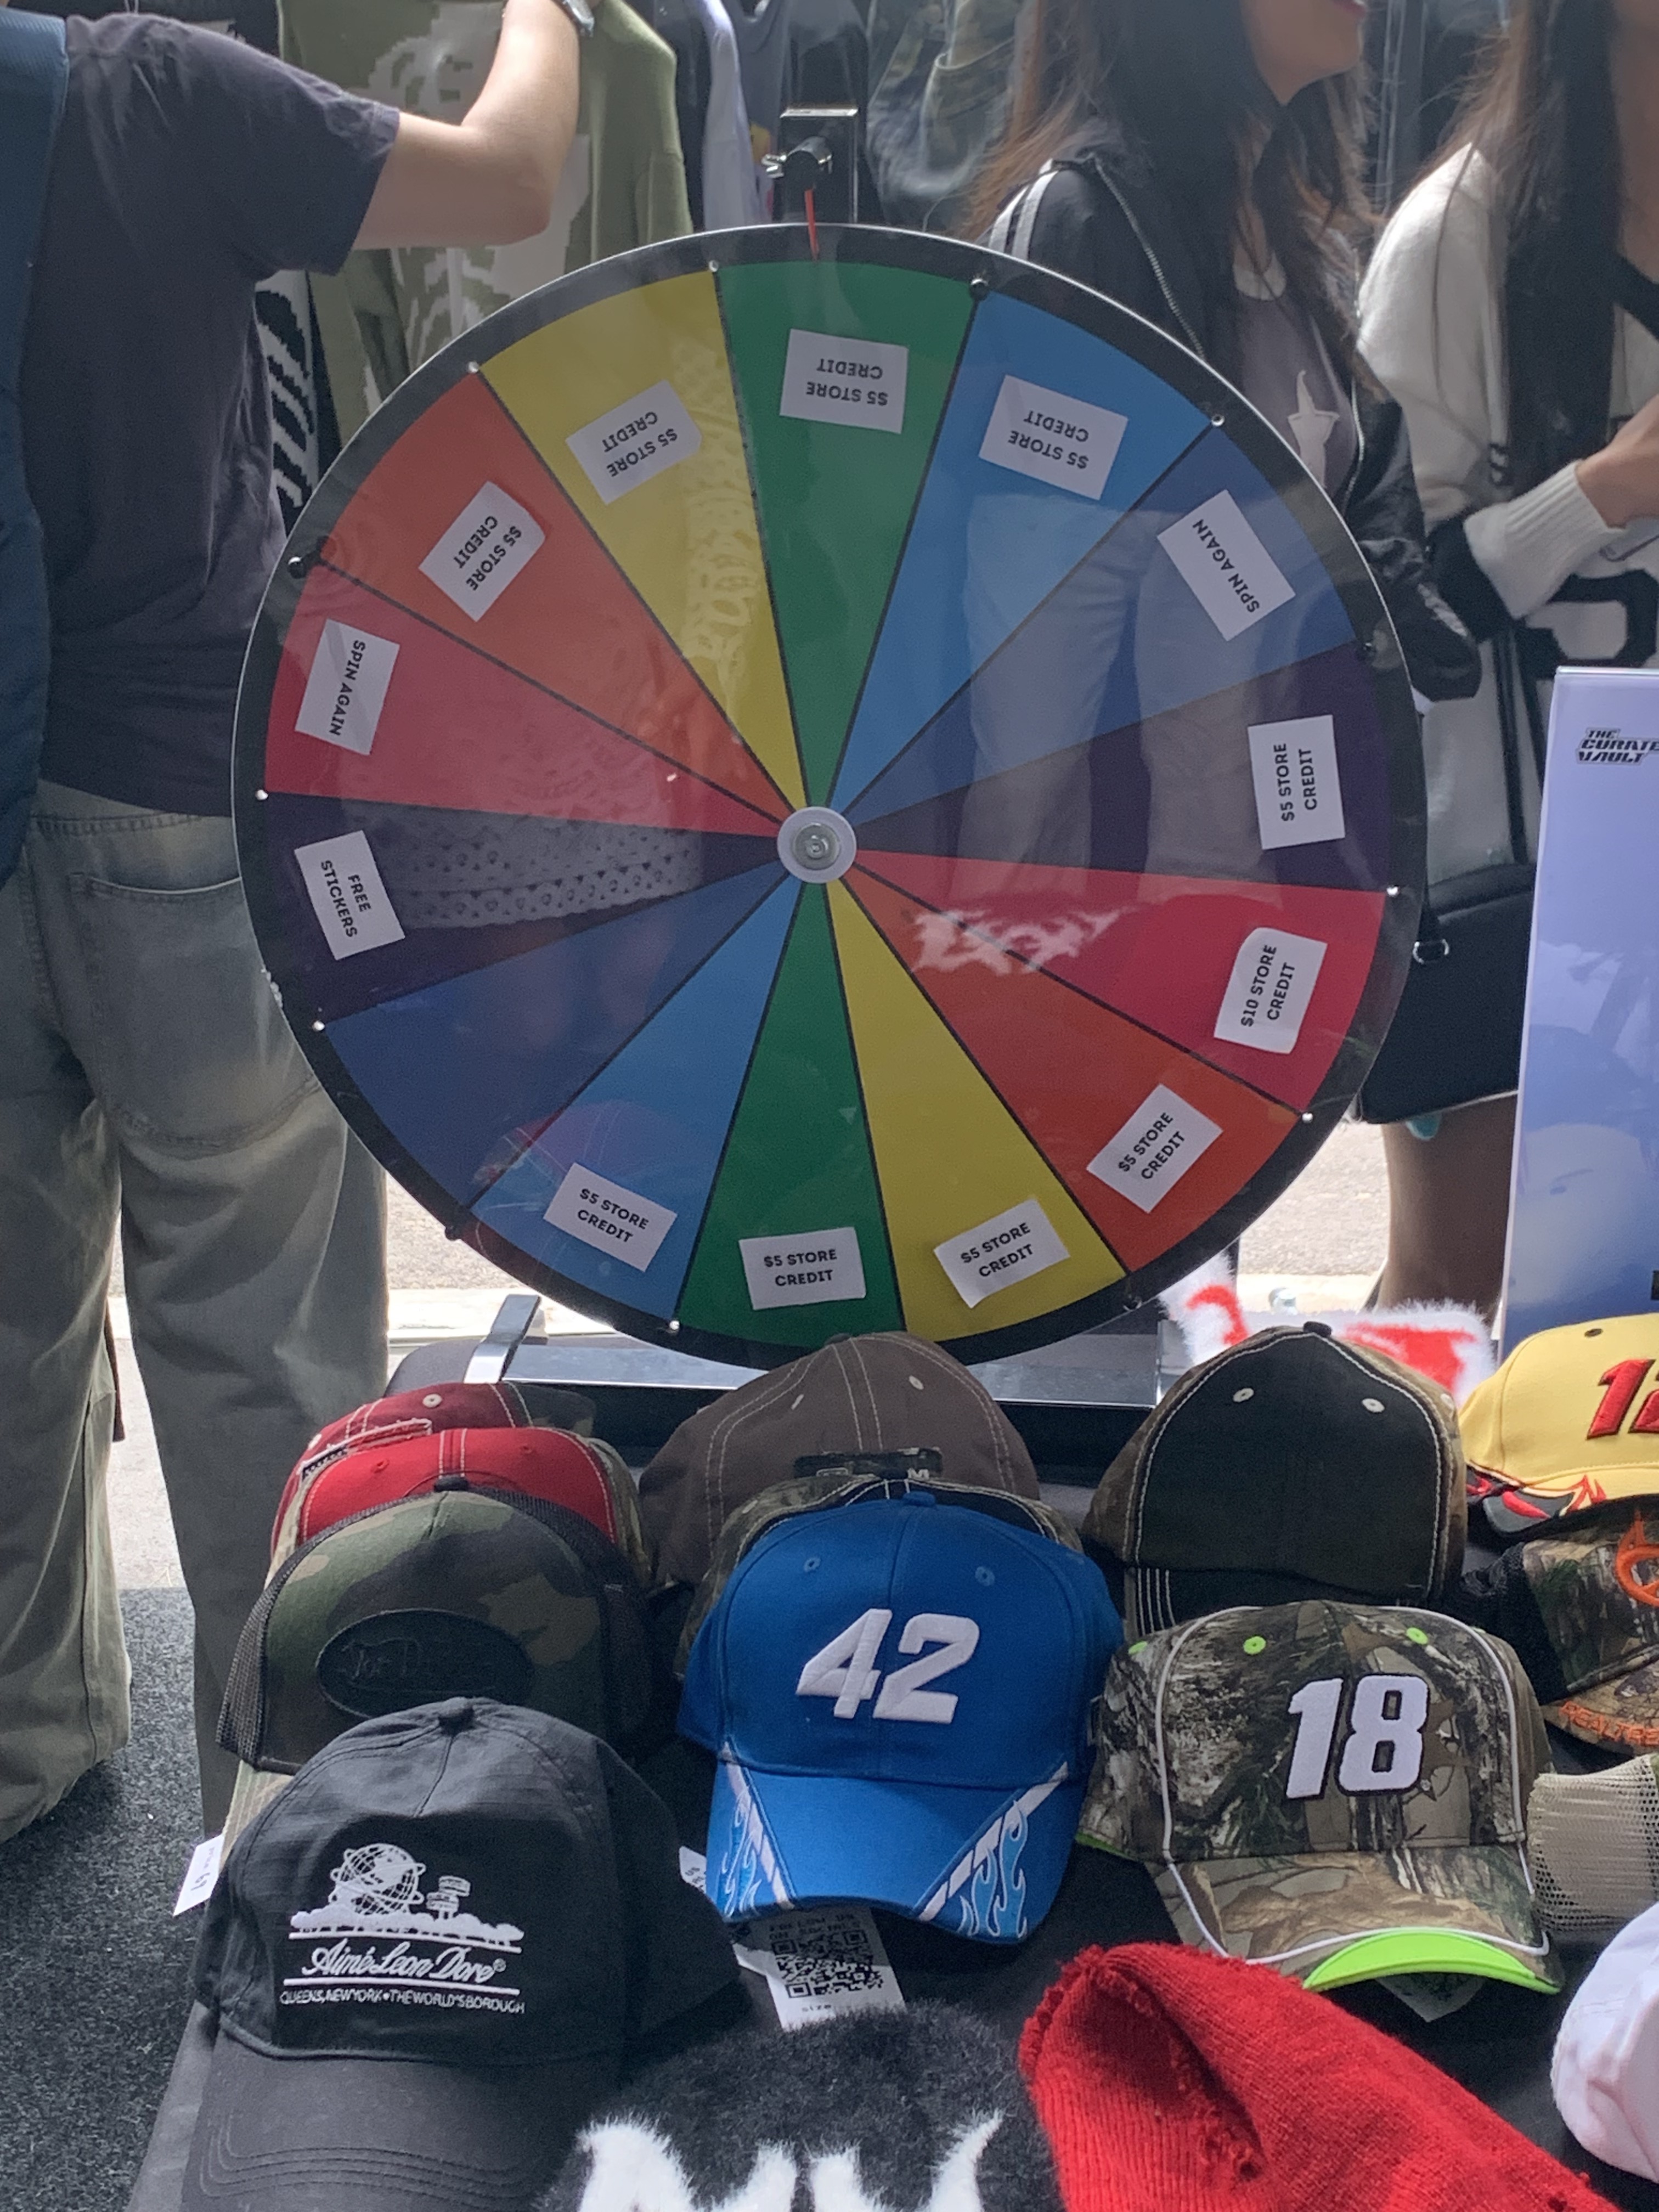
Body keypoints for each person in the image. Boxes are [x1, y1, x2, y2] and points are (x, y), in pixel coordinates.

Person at [0, 0, 582, 1844]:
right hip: (170, 790)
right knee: (254, 1330)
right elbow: (508, 178)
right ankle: (285, 1808)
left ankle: (19, 1751)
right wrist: (545, 18)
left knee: (10, 1324)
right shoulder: (151, 96)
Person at [1359, 0, 1659, 1314]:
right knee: (1464, 1300)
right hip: (1508, 895)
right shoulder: (1458, 241)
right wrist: (1603, 489)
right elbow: (1387, 602)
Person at [972, 0, 1477, 712]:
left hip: (1281, 789)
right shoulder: (1073, 228)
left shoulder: (1316, 252)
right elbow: (1029, 651)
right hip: (1117, 803)